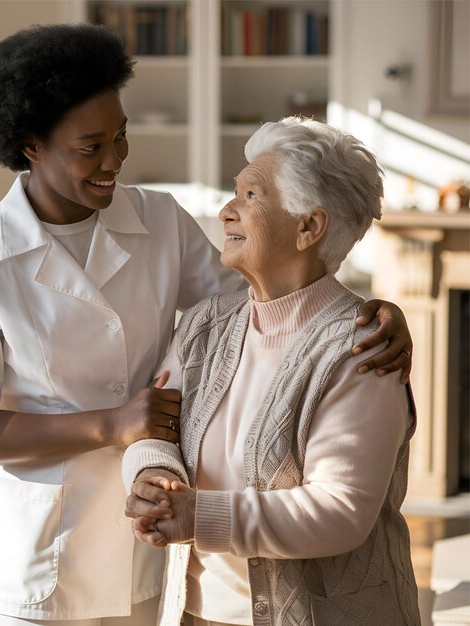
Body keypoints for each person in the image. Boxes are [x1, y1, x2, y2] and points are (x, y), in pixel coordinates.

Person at [0, 24, 413, 626]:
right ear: (31, 146)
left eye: (120, 137)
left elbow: (266, 306)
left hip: (144, 546)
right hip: (37, 551)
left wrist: (370, 313)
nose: (114, 161)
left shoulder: (160, 220)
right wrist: (113, 424)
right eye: (89, 146)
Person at [124, 117, 421, 626]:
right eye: (233, 192)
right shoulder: (202, 326)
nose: (225, 211)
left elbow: (339, 512)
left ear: (309, 227)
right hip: (194, 613)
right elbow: (156, 430)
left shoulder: (363, 349)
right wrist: (154, 476)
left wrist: (197, 516)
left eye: (251, 195)